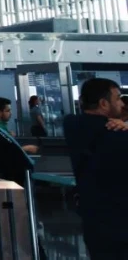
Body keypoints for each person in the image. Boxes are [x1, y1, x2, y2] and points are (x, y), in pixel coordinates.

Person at [63, 78, 128, 260]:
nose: (122, 103)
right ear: (103, 103)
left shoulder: (72, 125)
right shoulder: (117, 136)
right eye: (118, 98)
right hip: (121, 224)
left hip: (93, 220)